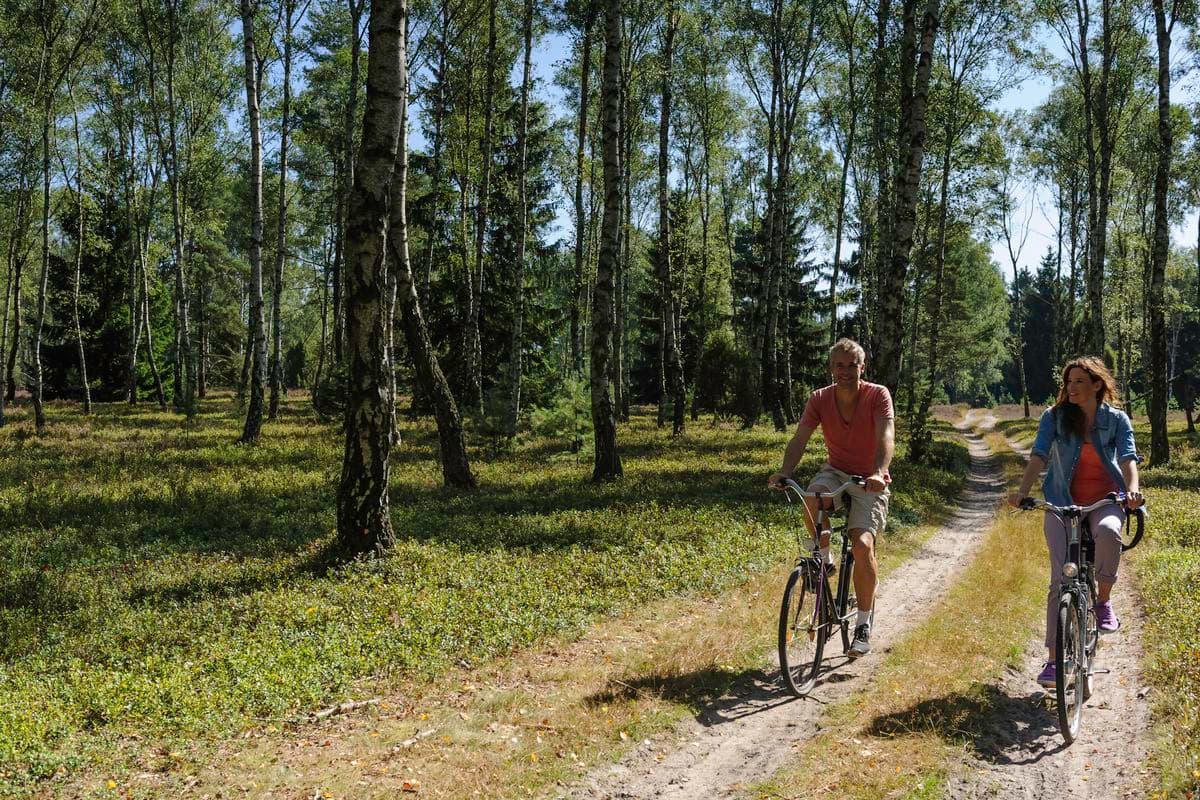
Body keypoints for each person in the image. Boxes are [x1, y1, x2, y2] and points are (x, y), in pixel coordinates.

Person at [1007, 356, 1144, 688]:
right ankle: (1054, 661)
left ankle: (1104, 600)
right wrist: (1022, 492)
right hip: (1061, 503)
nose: (1071, 388)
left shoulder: (1117, 420)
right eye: (1068, 382)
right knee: (1059, 581)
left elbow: (1127, 458)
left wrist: (1133, 490)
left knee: (1111, 531)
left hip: (1103, 500)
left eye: (1079, 382)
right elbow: (1039, 455)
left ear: (1097, 385)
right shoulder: (1054, 418)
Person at [768, 337, 894, 658]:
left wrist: (879, 472)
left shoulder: (878, 395)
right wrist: (785, 471)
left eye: (852, 365)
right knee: (811, 496)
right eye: (840, 365)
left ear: (862, 367)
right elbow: (799, 439)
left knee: (863, 545)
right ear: (831, 369)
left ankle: (863, 625)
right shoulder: (819, 399)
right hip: (836, 471)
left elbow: (886, 436)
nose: (846, 371)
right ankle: (823, 562)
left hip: (869, 478)